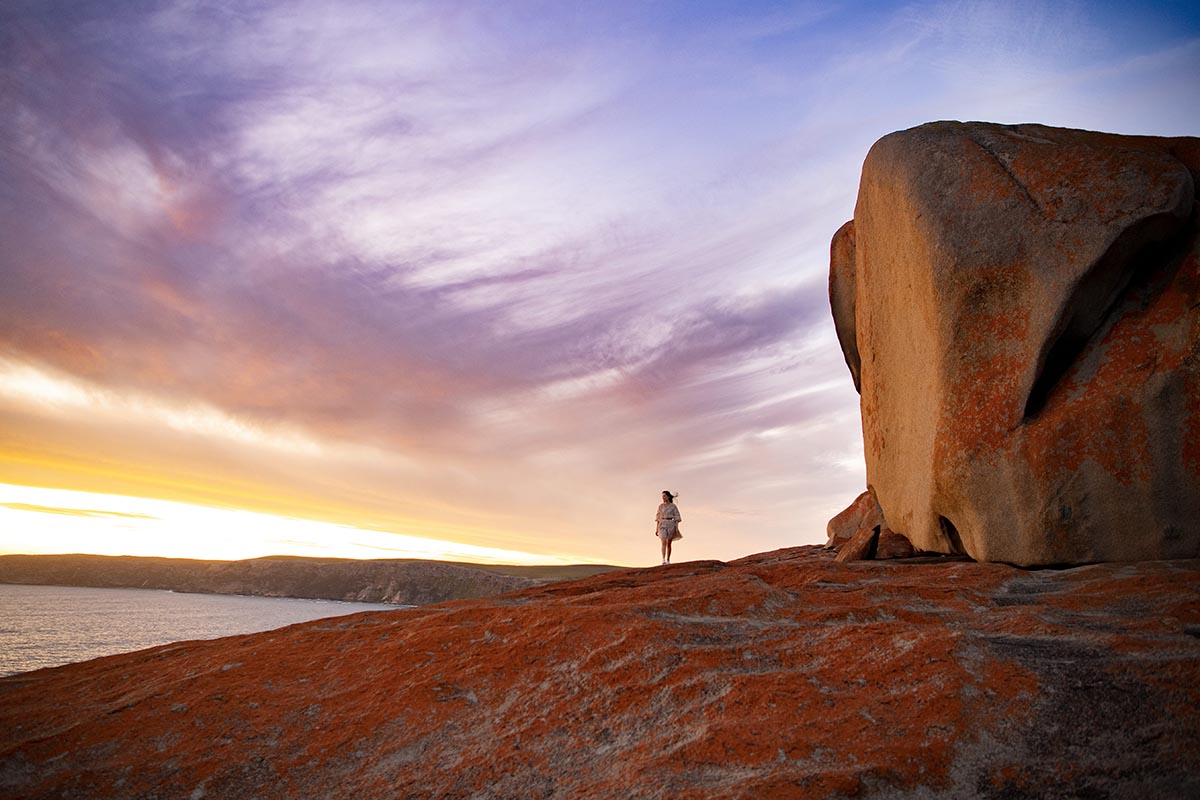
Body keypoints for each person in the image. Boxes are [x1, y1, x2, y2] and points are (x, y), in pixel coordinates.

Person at [655, 490, 682, 564]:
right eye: (662, 496)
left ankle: (668, 559)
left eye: (664, 496)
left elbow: (677, 517)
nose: (663, 497)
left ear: (668, 496)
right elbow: (658, 517)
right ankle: (663, 559)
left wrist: (676, 528)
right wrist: (656, 529)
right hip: (662, 524)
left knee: (668, 543)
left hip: (671, 524)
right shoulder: (661, 506)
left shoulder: (673, 506)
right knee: (663, 541)